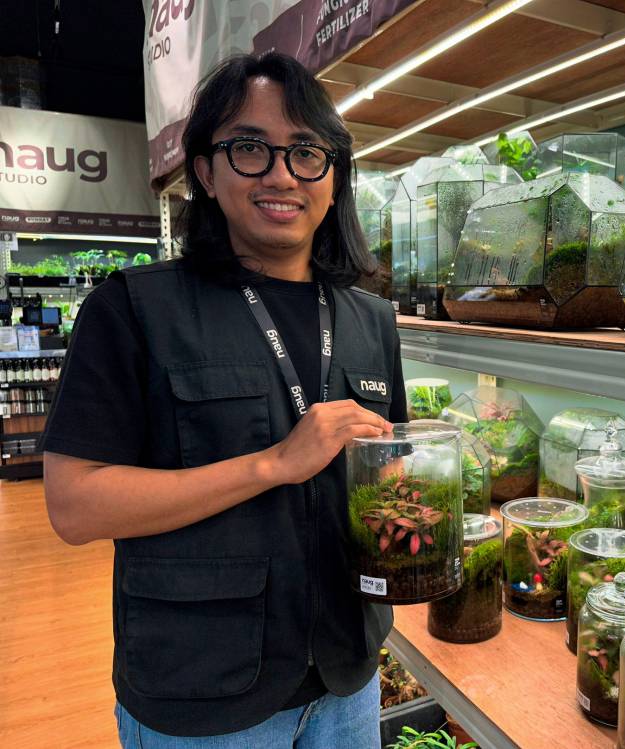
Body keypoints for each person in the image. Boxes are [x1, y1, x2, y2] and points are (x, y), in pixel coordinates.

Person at [41, 52, 404, 747]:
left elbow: (387, 472)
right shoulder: (135, 309)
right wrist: (272, 463)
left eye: (306, 152)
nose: (281, 174)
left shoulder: (370, 319)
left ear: (334, 176)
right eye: (249, 148)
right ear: (205, 171)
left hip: (347, 680)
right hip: (201, 696)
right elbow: (73, 503)